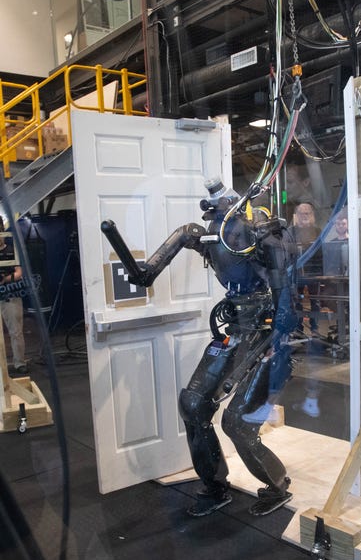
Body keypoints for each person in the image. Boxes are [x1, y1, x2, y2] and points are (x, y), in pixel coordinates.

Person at [101, 178, 297, 518]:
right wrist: (137, 271)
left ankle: (278, 485)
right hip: (236, 326)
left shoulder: (262, 234)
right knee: (193, 404)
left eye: (228, 222)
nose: (220, 230)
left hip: (268, 332)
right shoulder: (199, 233)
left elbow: (285, 311)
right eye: (215, 221)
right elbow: (147, 273)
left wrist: (275, 347)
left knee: (237, 421)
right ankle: (215, 485)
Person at [288, 199, 322, 334]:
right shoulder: (290, 232)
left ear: (312, 215)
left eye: (307, 213)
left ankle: (315, 329)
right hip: (296, 273)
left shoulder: (318, 231)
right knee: (296, 302)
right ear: (296, 215)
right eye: (301, 213)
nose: (304, 216)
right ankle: (298, 330)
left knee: (315, 302)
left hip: (314, 272)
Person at [0, 221, 28, 375]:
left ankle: (19, 363)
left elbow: (19, 273)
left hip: (11, 296)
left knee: (16, 332)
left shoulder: (12, 250)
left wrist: (6, 279)